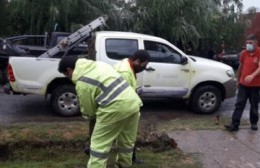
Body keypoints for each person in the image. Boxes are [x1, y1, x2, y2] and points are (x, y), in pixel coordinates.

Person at [58, 56, 143, 168]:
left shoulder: (82, 81)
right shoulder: (100, 65)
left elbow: (89, 111)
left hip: (115, 108)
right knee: (126, 142)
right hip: (133, 103)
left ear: (69, 70)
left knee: (98, 147)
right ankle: (123, 165)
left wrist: (90, 116)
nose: (69, 78)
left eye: (67, 75)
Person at [114, 49, 150, 163]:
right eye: (144, 65)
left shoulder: (128, 65)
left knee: (127, 135)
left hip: (124, 106)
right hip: (121, 107)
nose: (144, 67)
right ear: (138, 61)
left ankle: (131, 157)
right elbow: (123, 95)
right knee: (125, 135)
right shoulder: (124, 72)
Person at [225, 34, 260, 132]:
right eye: (247, 43)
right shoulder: (244, 53)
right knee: (239, 104)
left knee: (254, 105)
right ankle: (234, 124)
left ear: (256, 43)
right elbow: (241, 67)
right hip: (243, 84)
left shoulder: (259, 52)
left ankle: (253, 123)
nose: (248, 45)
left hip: (255, 86)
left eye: (250, 43)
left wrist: (252, 76)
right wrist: (238, 79)